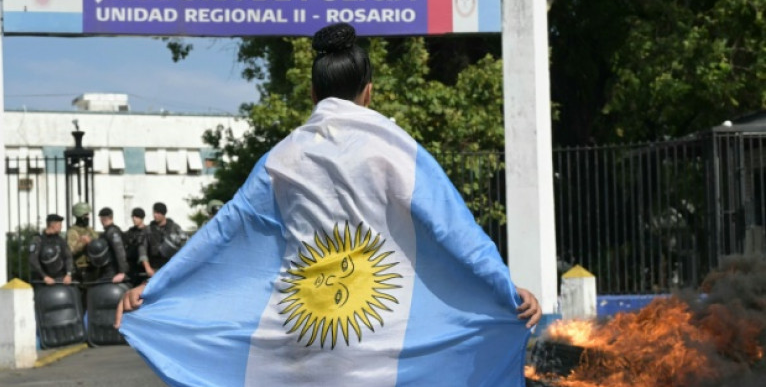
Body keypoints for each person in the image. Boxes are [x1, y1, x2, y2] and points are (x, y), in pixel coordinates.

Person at [115, 23, 541, 386]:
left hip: (303, 340)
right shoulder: (400, 152)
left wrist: (157, 288)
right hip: (383, 343)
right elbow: (456, 230)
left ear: (312, 92)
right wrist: (504, 289)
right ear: (368, 92)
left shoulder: (283, 157)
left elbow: (225, 231)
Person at [28, 214, 74, 286]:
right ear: (52, 225)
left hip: (60, 280)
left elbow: (68, 257)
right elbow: (33, 260)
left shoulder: (61, 240)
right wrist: (44, 276)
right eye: (59, 224)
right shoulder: (38, 240)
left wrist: (68, 274)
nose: (61, 227)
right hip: (42, 281)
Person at [86, 207, 128, 284]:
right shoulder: (107, 232)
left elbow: (119, 251)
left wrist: (122, 272)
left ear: (102, 219)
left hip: (113, 269)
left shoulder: (112, 232)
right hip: (107, 268)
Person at [145, 202, 185, 271]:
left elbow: (184, 244)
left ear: (163, 213)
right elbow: (142, 249)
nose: (155, 215)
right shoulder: (148, 229)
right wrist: (147, 268)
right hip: (155, 266)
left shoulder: (174, 227)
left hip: (172, 265)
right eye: (154, 212)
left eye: (158, 213)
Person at [66, 201, 97, 282]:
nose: (88, 217)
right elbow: (71, 250)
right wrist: (83, 242)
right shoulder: (73, 231)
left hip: (93, 265)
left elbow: (97, 239)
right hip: (81, 268)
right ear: (80, 216)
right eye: (86, 215)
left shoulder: (89, 229)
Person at [124, 207, 154, 285]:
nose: (134, 219)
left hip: (144, 268)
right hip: (132, 268)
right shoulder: (130, 232)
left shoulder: (148, 231)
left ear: (142, 218)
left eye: (137, 217)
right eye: (133, 216)